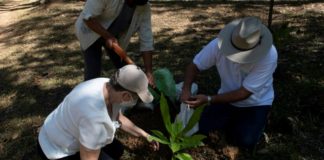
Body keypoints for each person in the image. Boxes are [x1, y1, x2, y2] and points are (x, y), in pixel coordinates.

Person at [180, 17, 278, 149]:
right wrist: (186, 89)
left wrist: (209, 99)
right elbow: (194, 66)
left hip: (256, 103)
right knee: (202, 129)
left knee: (245, 141)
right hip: (225, 99)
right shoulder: (217, 45)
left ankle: (261, 122)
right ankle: (234, 123)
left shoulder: (269, 55)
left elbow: (244, 93)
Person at [37, 65, 159, 160]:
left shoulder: (107, 85)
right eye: (136, 98)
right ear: (126, 96)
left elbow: (118, 118)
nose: (136, 101)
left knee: (117, 150)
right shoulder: (94, 120)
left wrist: (145, 135)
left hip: (55, 130)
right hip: (56, 150)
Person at [75, 0, 155, 86]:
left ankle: (128, 92)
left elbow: (146, 39)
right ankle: (88, 94)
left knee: (125, 67)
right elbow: (88, 17)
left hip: (114, 38)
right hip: (91, 32)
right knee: (93, 72)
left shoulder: (144, 7)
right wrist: (107, 36)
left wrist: (149, 72)